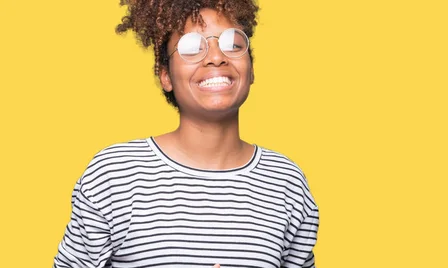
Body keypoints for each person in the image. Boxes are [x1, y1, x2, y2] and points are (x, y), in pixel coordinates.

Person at [53, 0, 319, 267]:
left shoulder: (286, 182)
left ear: (251, 69)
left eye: (233, 44)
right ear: (165, 75)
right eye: (192, 47)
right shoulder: (114, 175)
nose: (216, 57)